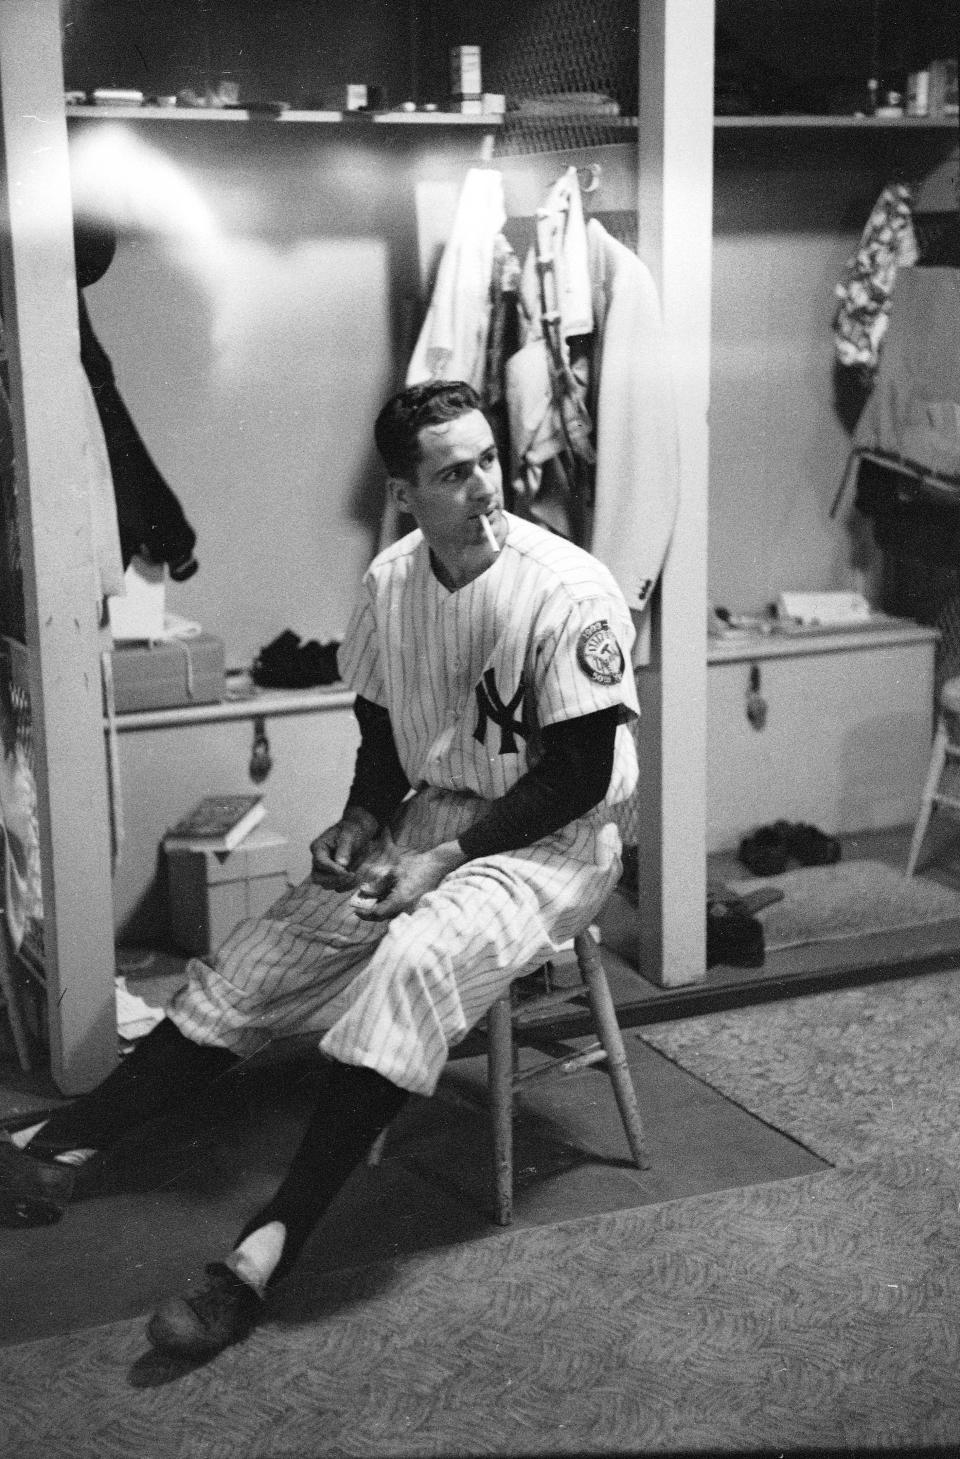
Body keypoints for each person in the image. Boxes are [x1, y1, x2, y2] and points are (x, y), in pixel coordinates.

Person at [0, 379, 640, 1359]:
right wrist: (361, 819)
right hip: (435, 816)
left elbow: (581, 772)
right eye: (453, 470)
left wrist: (443, 861)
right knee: (270, 950)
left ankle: (262, 1254)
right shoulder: (392, 581)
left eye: (488, 459)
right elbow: (383, 741)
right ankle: (59, 1145)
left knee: (414, 963)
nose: (484, 485)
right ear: (403, 491)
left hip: (554, 840)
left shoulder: (567, 585)